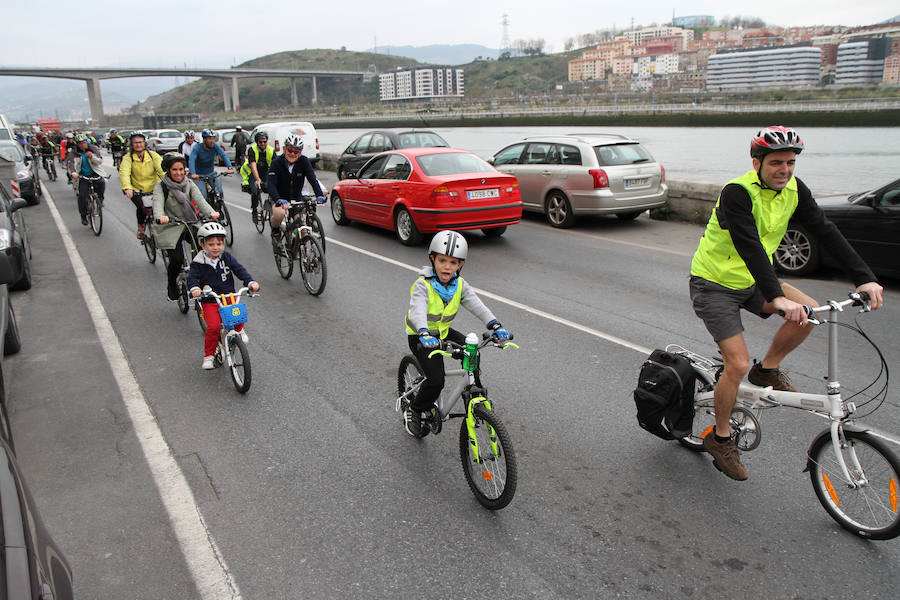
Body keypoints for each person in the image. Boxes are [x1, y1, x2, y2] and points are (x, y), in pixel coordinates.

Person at [688, 126, 884, 481]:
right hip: (714, 284)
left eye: (790, 162)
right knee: (736, 364)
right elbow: (748, 244)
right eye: (776, 162)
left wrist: (864, 278)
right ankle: (721, 438)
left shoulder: (795, 189)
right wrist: (776, 296)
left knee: (808, 312)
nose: (785, 170)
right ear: (757, 163)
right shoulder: (737, 193)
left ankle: (767, 369)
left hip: (752, 280)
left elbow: (826, 230)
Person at [402, 230, 512, 437]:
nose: (447, 266)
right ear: (432, 259)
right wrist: (424, 333)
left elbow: (476, 305)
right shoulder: (423, 285)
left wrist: (495, 325)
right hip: (421, 337)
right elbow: (417, 310)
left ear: (460, 264)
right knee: (436, 380)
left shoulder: (459, 285)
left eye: (453, 262)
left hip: (443, 333)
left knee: (473, 351)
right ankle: (414, 410)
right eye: (442, 260)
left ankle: (474, 391)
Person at [187, 222, 259, 370]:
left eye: (219, 244)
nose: (216, 247)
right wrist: (195, 288)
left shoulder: (226, 257)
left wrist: (250, 282)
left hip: (228, 297)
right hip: (210, 300)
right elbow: (192, 278)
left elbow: (239, 269)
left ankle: (239, 330)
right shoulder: (198, 262)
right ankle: (209, 355)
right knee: (213, 327)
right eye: (211, 244)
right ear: (203, 245)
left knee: (237, 316)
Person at [152, 153, 219, 302]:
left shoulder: (189, 183)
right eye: (174, 170)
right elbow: (157, 203)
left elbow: (200, 200)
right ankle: (171, 286)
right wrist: (160, 216)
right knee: (176, 259)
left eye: (181, 169)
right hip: (170, 225)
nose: (179, 173)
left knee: (204, 249)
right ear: (168, 170)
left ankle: (204, 280)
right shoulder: (161, 186)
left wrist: (211, 212)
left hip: (190, 222)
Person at [266, 134, 323, 246]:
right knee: (279, 214)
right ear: (284, 149)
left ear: (300, 152)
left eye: (296, 152)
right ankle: (275, 231)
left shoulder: (304, 161)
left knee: (303, 228)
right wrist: (278, 199)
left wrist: (319, 195)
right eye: (290, 150)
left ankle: (302, 250)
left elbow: (312, 179)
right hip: (279, 197)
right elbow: (271, 185)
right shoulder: (276, 163)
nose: (292, 154)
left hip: (296, 198)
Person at [119, 132, 165, 239]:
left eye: (140, 142)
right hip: (137, 190)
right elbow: (124, 173)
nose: (138, 145)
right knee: (142, 209)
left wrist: (169, 182)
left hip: (154, 188)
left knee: (161, 208)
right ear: (131, 144)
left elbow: (162, 170)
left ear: (144, 143)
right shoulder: (128, 158)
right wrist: (127, 188)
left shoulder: (153, 156)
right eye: (135, 143)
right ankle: (141, 227)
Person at [65, 133, 107, 226]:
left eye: (84, 142)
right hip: (83, 176)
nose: (82, 145)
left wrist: (91, 156)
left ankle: (100, 202)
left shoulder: (93, 149)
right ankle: (83, 215)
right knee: (82, 196)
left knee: (102, 183)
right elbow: (71, 164)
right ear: (77, 144)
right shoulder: (74, 152)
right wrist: (73, 173)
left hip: (95, 174)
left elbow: (99, 161)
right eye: (80, 143)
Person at [189, 129, 233, 202]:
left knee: (219, 192)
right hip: (199, 176)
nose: (212, 141)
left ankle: (219, 206)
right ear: (204, 139)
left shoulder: (215, 146)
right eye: (209, 139)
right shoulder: (197, 147)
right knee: (203, 196)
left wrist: (230, 167)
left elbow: (223, 155)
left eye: (213, 138)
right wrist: (193, 173)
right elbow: (192, 159)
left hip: (211, 173)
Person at [239, 131, 274, 219]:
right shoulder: (252, 150)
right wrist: (258, 179)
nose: (263, 144)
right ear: (257, 142)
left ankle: (272, 206)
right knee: (255, 190)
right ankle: (254, 209)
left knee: (272, 187)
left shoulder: (271, 150)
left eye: (264, 142)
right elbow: (253, 166)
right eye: (260, 142)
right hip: (253, 172)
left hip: (265, 171)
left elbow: (275, 166)